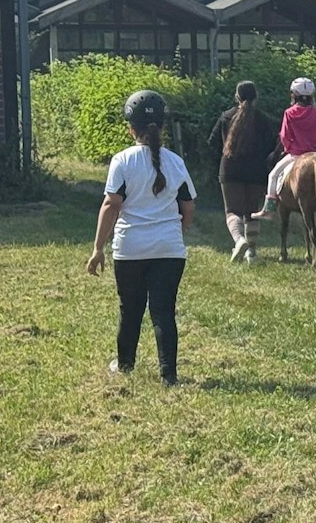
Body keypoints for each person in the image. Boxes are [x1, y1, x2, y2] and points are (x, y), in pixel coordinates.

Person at [88, 90, 195, 386]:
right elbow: (187, 205)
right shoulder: (176, 162)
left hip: (131, 248)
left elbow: (112, 204)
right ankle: (168, 375)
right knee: (163, 312)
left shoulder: (122, 161)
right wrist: (180, 228)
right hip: (169, 249)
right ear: (161, 126)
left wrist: (98, 247)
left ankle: (125, 365)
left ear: (129, 128)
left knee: (130, 309)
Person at [207, 80, 278, 263]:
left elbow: (212, 142)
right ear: (256, 97)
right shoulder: (264, 120)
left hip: (230, 170)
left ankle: (239, 241)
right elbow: (272, 146)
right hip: (256, 171)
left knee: (232, 212)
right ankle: (251, 253)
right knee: (251, 213)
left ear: (237, 97)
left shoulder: (226, 117)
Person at [251, 78, 316, 221]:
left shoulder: (289, 113)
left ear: (294, 95)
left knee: (273, 176)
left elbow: (285, 137)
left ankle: (269, 209)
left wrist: (289, 149)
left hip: (296, 155)